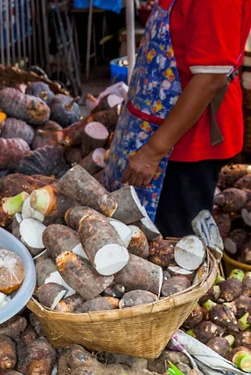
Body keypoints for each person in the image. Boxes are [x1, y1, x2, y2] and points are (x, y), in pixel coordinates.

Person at [104, 0, 251, 237]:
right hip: (154, 133)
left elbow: (208, 81)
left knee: (170, 246)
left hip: (185, 147)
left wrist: (152, 152)